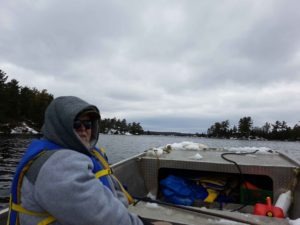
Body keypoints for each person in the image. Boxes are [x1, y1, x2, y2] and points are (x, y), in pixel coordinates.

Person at [7, 96, 171, 225]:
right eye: (77, 124)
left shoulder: (84, 154)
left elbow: (112, 197)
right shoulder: (57, 167)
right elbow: (101, 218)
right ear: (60, 127)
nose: (84, 130)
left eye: (88, 124)